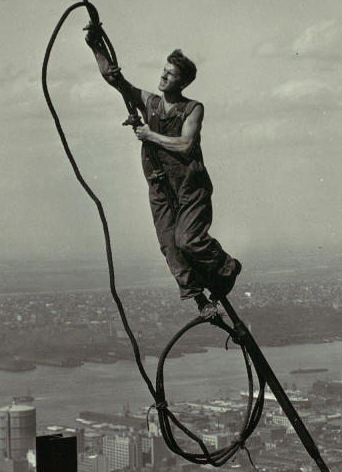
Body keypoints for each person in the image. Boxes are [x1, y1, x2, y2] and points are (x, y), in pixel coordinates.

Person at [85, 25, 241, 319]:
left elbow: (185, 144)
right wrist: (95, 46)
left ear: (182, 82)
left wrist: (150, 136)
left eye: (170, 74)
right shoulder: (151, 103)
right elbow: (116, 81)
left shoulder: (192, 108)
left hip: (189, 188)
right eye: (164, 70)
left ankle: (226, 267)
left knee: (189, 241)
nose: (163, 76)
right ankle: (200, 302)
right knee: (170, 247)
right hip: (159, 186)